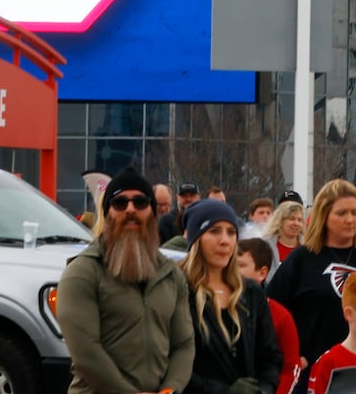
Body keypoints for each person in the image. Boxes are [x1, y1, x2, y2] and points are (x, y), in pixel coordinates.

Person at [58, 167, 194, 394]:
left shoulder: (171, 275)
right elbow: (86, 354)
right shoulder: (82, 273)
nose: (130, 209)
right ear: (108, 213)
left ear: (152, 212)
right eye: (120, 203)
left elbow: (184, 344)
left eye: (140, 202)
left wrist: (171, 389)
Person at [265, 179, 356, 370]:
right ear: (324, 216)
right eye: (341, 213)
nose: (350, 219)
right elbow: (272, 313)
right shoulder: (302, 259)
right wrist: (291, 356)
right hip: (312, 371)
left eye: (355, 212)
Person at [179, 200, 282, 394]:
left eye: (231, 232)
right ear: (196, 239)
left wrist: (264, 389)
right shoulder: (179, 291)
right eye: (214, 231)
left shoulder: (251, 291)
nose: (225, 240)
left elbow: (270, 355)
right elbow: (173, 363)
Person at [237, 238, 305, 394]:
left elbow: (291, 367)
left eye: (240, 265)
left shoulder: (280, 316)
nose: (232, 270)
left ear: (262, 273)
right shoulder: (216, 308)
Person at [262, 199, 305, 267]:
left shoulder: (309, 247)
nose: (296, 223)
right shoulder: (265, 246)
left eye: (299, 220)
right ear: (280, 221)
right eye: (291, 219)